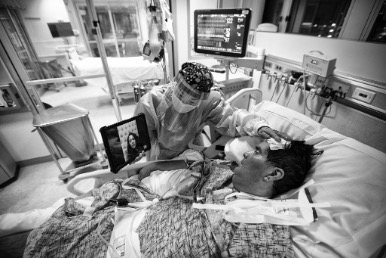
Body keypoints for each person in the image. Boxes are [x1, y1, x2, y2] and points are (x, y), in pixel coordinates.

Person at [134, 62, 288, 160]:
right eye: (181, 95)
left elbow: (232, 118)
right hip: (158, 153)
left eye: (192, 100)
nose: (184, 102)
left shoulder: (208, 102)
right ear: (175, 85)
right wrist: (147, 158)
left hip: (190, 150)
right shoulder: (151, 102)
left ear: (202, 99)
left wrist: (257, 126)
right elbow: (140, 136)